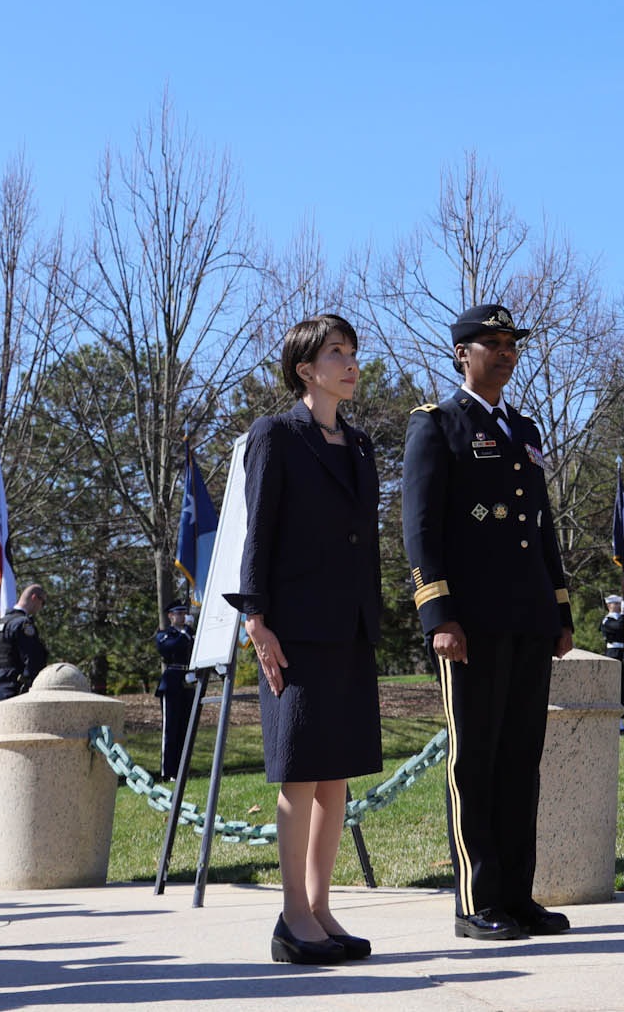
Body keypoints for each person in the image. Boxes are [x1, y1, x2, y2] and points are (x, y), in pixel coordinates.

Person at [404, 304, 574, 943]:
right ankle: (476, 901)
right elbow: (419, 530)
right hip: (470, 624)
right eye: (491, 344)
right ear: (461, 354)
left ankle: (518, 896)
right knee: (474, 761)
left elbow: (541, 526)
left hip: (528, 619)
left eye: (511, 344)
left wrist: (559, 609)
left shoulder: (524, 429)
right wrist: (438, 614)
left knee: (519, 760)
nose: (504, 353)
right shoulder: (439, 425)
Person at [235, 313, 384, 968]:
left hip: (348, 628)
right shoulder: (275, 435)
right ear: (304, 368)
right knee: (298, 774)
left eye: (352, 352)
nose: (350, 363)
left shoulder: (358, 445)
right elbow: (257, 532)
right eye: (335, 353)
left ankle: (321, 910)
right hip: (293, 629)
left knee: (335, 779)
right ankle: (291, 915)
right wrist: (256, 621)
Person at [155, 603, 198, 781]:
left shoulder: (191, 634)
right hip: (171, 682)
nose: (182, 616)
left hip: (188, 680)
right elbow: (169, 648)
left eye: (184, 613)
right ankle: (168, 771)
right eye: (178, 614)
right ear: (170, 616)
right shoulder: (164, 635)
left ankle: (182, 770)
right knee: (171, 729)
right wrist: (186, 631)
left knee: (185, 728)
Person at [0, 585, 51, 696]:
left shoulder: (0, 622)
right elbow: (32, 658)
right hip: (16, 688)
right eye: (43, 603)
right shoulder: (23, 624)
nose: (41, 607)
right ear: (34, 597)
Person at [599, 597, 624, 732]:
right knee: (614, 687)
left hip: (623, 654)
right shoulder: (607, 620)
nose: (619, 606)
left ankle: (621, 722)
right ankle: (611, 722)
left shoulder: (622, 619)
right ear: (609, 605)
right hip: (612, 654)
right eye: (616, 604)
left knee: (623, 688)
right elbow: (619, 627)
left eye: (620, 603)